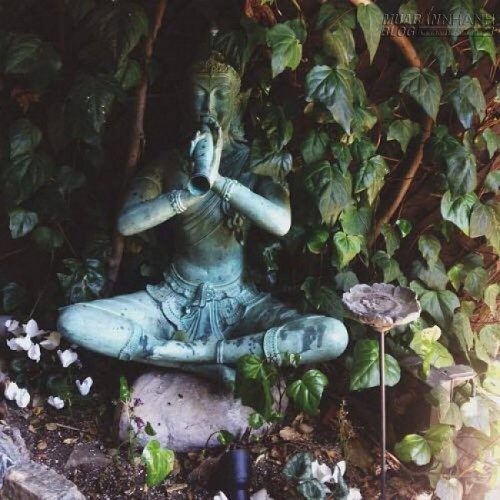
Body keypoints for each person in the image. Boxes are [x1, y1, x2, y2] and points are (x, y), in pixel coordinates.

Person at [57, 49, 348, 388]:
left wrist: (219, 180)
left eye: (221, 95)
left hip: (241, 304)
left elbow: (280, 223)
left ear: (238, 101)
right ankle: (203, 364)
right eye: (198, 95)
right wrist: (189, 192)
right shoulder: (168, 164)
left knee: (333, 335)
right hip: (171, 300)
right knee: (73, 320)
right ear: (184, 101)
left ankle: (193, 355)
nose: (208, 107)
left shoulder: (256, 164)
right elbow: (127, 223)